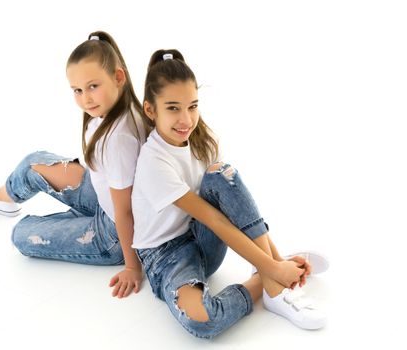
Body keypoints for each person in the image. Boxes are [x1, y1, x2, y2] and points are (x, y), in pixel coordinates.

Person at [131, 49, 327, 338]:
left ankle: (275, 285)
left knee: (222, 173)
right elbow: (215, 220)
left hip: (202, 239)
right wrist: (274, 267)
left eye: (192, 106)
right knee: (202, 321)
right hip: (165, 254)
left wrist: (272, 261)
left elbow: (233, 208)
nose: (186, 119)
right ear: (150, 110)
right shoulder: (153, 160)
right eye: (173, 108)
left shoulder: (203, 142)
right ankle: (268, 280)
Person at [0, 31, 148, 299]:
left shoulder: (118, 137)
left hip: (115, 234)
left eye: (93, 86)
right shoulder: (113, 110)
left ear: (118, 77)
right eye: (77, 90)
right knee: (34, 162)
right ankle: (3, 198)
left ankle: (77, 226)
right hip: (105, 197)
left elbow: (124, 211)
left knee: (22, 235)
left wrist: (132, 266)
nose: (85, 98)